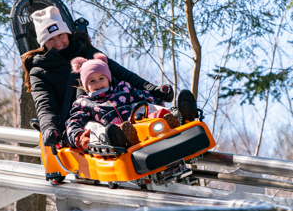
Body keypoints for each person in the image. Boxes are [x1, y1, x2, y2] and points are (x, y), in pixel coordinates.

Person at [21, 5, 175, 147]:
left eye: (60, 35)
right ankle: (112, 138)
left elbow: (120, 73)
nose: (58, 42)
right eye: (50, 39)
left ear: (67, 32)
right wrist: (50, 128)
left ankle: (172, 117)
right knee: (94, 127)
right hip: (81, 116)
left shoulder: (84, 49)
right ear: (43, 43)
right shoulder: (39, 70)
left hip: (113, 104)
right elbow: (45, 104)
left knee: (140, 106)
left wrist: (153, 89)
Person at [65, 53, 197, 149]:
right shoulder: (84, 102)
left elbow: (143, 96)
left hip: (137, 123)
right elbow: (73, 121)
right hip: (114, 132)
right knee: (91, 125)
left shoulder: (122, 88)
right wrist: (78, 136)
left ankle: (176, 116)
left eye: (101, 78)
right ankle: (114, 141)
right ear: (85, 85)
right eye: (92, 81)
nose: (98, 84)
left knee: (143, 105)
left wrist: (158, 98)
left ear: (109, 78)